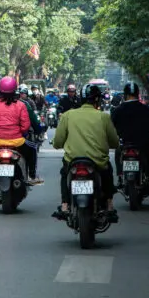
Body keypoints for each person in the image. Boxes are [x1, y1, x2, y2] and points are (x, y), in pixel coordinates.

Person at [52, 84, 119, 221]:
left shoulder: (67, 115)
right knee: (108, 171)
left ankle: (65, 205)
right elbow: (114, 142)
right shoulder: (103, 117)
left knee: (65, 174)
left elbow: (57, 142)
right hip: (98, 162)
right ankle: (109, 203)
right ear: (97, 100)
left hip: (73, 161)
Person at [111, 81, 149, 186]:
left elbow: (111, 126)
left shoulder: (118, 110)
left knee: (118, 152)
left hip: (125, 143)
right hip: (142, 143)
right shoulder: (146, 108)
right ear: (138, 94)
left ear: (125, 95)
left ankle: (119, 176)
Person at [18, 86, 45, 184]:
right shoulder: (23, 105)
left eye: (23, 93)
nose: (21, 95)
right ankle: (32, 175)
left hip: (0, 138)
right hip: (18, 137)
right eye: (20, 93)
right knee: (32, 148)